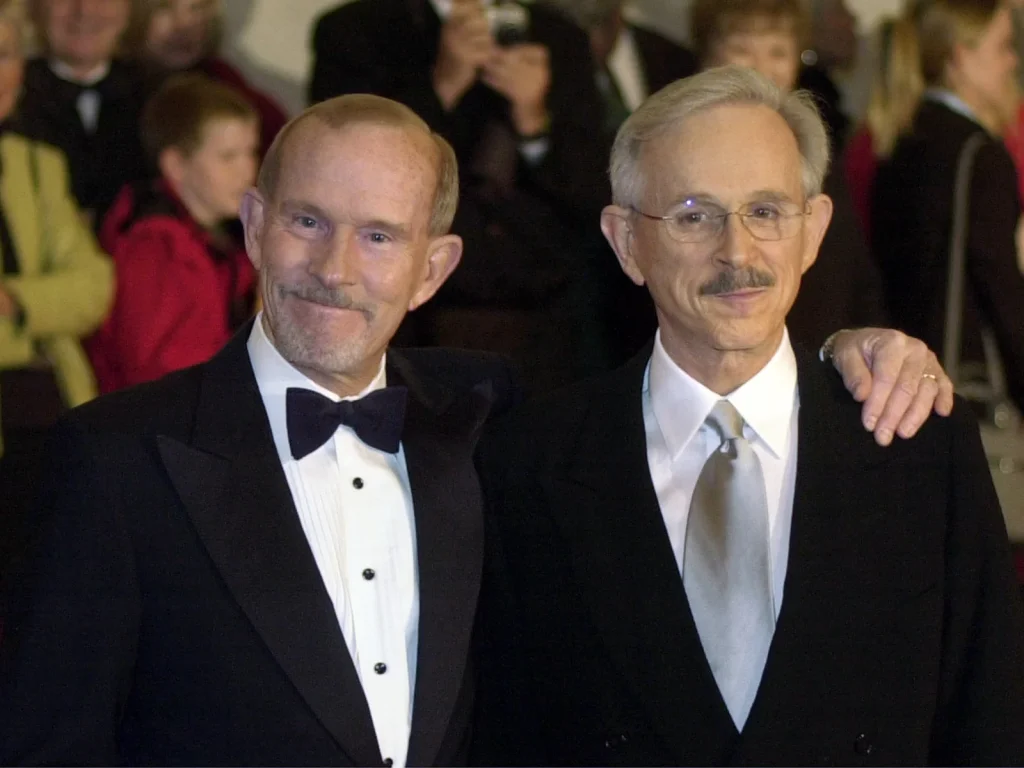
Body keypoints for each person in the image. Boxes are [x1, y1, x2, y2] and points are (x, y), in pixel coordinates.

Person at [0, 87, 957, 765]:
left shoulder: (485, 425)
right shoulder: (117, 461)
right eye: (306, 221)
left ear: (434, 269)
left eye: (380, 235)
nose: (337, 267)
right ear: (251, 226)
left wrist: (853, 346)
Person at [472, 67, 1023, 766]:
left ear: (814, 230)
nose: (738, 253)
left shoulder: (919, 447)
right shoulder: (528, 464)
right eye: (695, 215)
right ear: (626, 242)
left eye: (766, 211)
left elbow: (990, 725)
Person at [309, 0, 610, 392]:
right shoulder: (357, 29)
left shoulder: (560, 38)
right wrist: (442, 85)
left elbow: (594, 191)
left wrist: (535, 120)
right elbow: (342, 170)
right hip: (413, 319)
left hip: (546, 322)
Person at [690, 0, 888, 345]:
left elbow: (854, 271)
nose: (761, 68)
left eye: (778, 52)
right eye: (742, 50)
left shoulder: (816, 150)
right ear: (708, 56)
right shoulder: (681, 151)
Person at [0, 0, 113, 595]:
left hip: (50, 409)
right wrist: (43, 304)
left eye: (6, 55)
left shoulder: (37, 164)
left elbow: (93, 286)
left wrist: (17, 301)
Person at [873, 0, 1024, 417]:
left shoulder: (901, 136)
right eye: (1003, 47)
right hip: (965, 387)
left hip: (902, 376)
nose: (1012, 61)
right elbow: (999, 286)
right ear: (961, 55)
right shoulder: (978, 153)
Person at [86, 74, 258, 393]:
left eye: (250, 153)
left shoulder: (219, 241)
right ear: (176, 165)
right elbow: (156, 371)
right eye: (228, 157)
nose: (247, 170)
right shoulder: (156, 247)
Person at [19, 0, 147, 227]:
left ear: (128, 10)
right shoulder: (11, 96)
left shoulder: (156, 95)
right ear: (36, 9)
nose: (84, 10)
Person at [123, 0, 287, 158]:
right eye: (164, 7)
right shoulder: (110, 93)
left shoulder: (240, 98)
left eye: (197, 8)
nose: (184, 25)